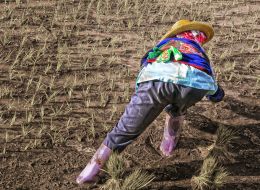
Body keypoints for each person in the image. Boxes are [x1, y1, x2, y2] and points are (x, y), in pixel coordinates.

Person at [76, 20, 225, 184]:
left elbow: (145, 64)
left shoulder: (164, 45)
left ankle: (89, 174)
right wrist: (215, 96)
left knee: (125, 130)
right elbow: (214, 90)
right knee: (178, 107)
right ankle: (168, 146)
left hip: (155, 81)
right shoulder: (199, 53)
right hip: (194, 86)